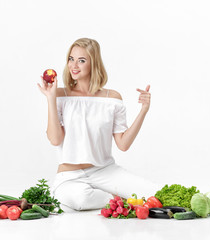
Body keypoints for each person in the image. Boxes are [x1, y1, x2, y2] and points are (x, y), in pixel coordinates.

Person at [37, 38, 159, 211]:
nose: (74, 65)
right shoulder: (59, 95)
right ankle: (117, 199)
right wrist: (50, 99)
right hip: (70, 176)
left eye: (82, 60)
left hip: (105, 171)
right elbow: (55, 139)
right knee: (81, 200)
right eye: (71, 59)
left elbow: (123, 144)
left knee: (154, 192)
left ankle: (114, 194)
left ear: (93, 64)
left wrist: (143, 110)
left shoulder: (112, 99)